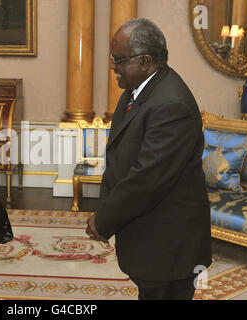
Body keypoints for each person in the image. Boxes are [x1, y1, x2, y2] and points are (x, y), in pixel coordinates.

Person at [85, 18, 212, 300]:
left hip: (169, 244)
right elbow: (123, 157)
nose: (113, 67)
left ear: (145, 61)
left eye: (119, 60)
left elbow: (148, 179)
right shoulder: (136, 90)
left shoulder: (172, 105)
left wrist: (104, 219)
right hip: (150, 235)